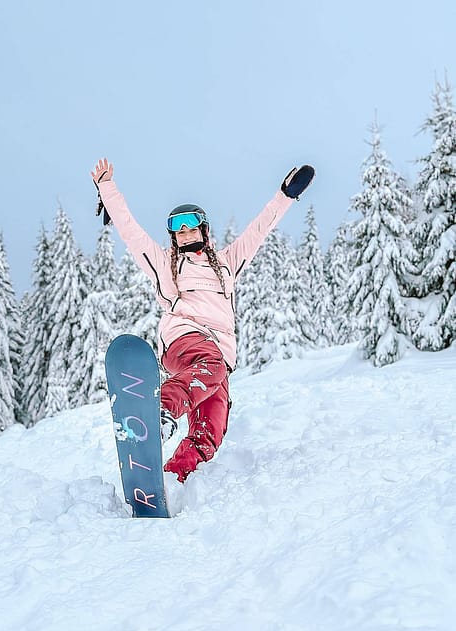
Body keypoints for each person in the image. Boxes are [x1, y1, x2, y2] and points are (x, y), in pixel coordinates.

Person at [91, 158, 314, 483]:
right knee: (211, 364)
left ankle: (169, 480)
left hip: (218, 361)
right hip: (187, 343)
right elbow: (131, 232)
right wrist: (107, 189)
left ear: (203, 229)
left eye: (190, 226)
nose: (184, 233)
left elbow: (260, 229)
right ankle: (160, 411)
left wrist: (285, 196)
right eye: (177, 230)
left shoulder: (226, 264)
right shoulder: (165, 264)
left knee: (211, 431)